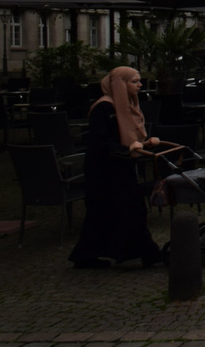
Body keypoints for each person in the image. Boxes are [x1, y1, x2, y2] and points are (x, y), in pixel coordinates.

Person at [68, 67, 165, 269]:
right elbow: (99, 141)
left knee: (117, 210)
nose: (139, 85)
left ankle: (89, 254)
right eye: (134, 82)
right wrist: (125, 148)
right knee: (125, 208)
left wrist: (143, 144)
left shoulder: (125, 105)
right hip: (104, 169)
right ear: (121, 84)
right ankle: (147, 253)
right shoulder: (103, 107)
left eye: (139, 81)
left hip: (121, 165)